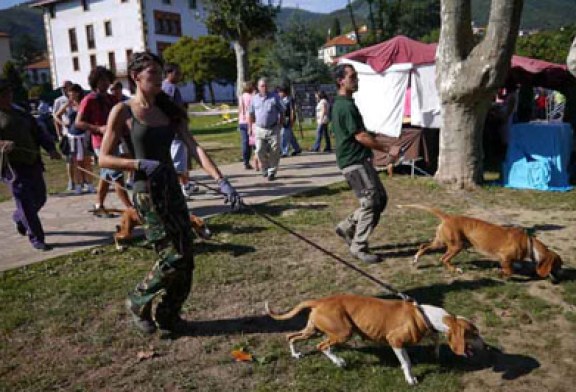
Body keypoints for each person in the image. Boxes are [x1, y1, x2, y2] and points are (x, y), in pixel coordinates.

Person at [99, 51, 242, 337]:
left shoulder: (168, 109)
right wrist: (137, 164)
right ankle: (138, 299)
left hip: (171, 190)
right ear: (135, 77)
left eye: (159, 72)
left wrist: (222, 180)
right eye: (151, 73)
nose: (158, 79)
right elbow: (103, 158)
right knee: (173, 256)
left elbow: (194, 146)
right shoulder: (123, 111)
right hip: (146, 193)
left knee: (187, 258)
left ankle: (168, 316)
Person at [331, 64, 388, 264]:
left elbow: (359, 132)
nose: (356, 80)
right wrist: (388, 150)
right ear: (341, 80)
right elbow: (360, 136)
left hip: (359, 159)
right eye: (352, 76)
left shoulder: (345, 103)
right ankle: (358, 246)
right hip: (354, 161)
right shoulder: (344, 106)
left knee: (380, 199)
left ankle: (347, 227)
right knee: (371, 201)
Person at [0, 78, 62, 251]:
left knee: (40, 198)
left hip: (32, 162)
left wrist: (50, 148)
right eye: (4, 94)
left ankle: (19, 218)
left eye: (9, 93)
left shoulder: (20, 112)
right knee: (25, 202)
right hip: (13, 168)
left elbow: (38, 131)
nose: (8, 97)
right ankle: (37, 238)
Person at [75, 66, 133, 214]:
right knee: (116, 175)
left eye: (107, 80)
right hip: (100, 143)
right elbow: (78, 122)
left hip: (115, 140)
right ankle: (131, 208)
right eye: (102, 80)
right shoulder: (88, 100)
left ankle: (98, 204)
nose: (106, 83)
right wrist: (98, 129)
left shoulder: (112, 99)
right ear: (95, 82)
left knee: (106, 174)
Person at [162, 63, 197, 197]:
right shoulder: (170, 88)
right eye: (177, 73)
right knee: (178, 161)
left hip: (171, 130)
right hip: (176, 131)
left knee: (178, 159)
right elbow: (170, 109)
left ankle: (184, 185)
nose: (179, 76)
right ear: (169, 73)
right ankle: (178, 190)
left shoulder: (166, 87)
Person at [55, 84, 95, 194]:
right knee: (75, 162)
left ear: (77, 92)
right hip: (72, 136)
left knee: (87, 161)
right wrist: (64, 123)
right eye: (69, 92)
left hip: (84, 135)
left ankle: (90, 183)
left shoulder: (83, 103)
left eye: (72, 92)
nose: (70, 94)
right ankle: (78, 185)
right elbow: (56, 115)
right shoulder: (68, 104)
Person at [248, 77, 284, 181]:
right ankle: (264, 167)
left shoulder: (275, 97)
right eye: (262, 86)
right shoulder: (254, 99)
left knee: (275, 150)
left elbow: (282, 111)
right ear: (258, 87)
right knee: (259, 150)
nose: (264, 88)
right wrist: (250, 127)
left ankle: (272, 172)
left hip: (273, 128)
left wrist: (280, 124)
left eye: (266, 85)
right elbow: (250, 114)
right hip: (259, 129)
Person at [52, 80, 75, 191]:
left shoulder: (77, 99)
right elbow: (56, 118)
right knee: (69, 159)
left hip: (77, 133)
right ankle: (72, 181)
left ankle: (83, 180)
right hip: (66, 133)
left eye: (66, 87)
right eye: (63, 87)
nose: (64, 89)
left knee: (80, 158)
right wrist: (59, 133)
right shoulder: (59, 101)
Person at [277, 85, 301, 157]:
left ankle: (284, 151)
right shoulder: (280, 99)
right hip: (282, 119)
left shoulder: (289, 99)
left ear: (284, 92)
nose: (279, 94)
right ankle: (297, 148)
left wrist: (292, 120)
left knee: (284, 135)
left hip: (288, 119)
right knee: (290, 135)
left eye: (280, 92)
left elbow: (292, 110)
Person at [238, 81, 254, 169]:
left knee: (245, 142)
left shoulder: (241, 97)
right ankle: (258, 160)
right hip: (250, 121)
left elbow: (240, 109)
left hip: (242, 121)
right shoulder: (252, 97)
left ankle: (246, 161)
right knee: (252, 142)